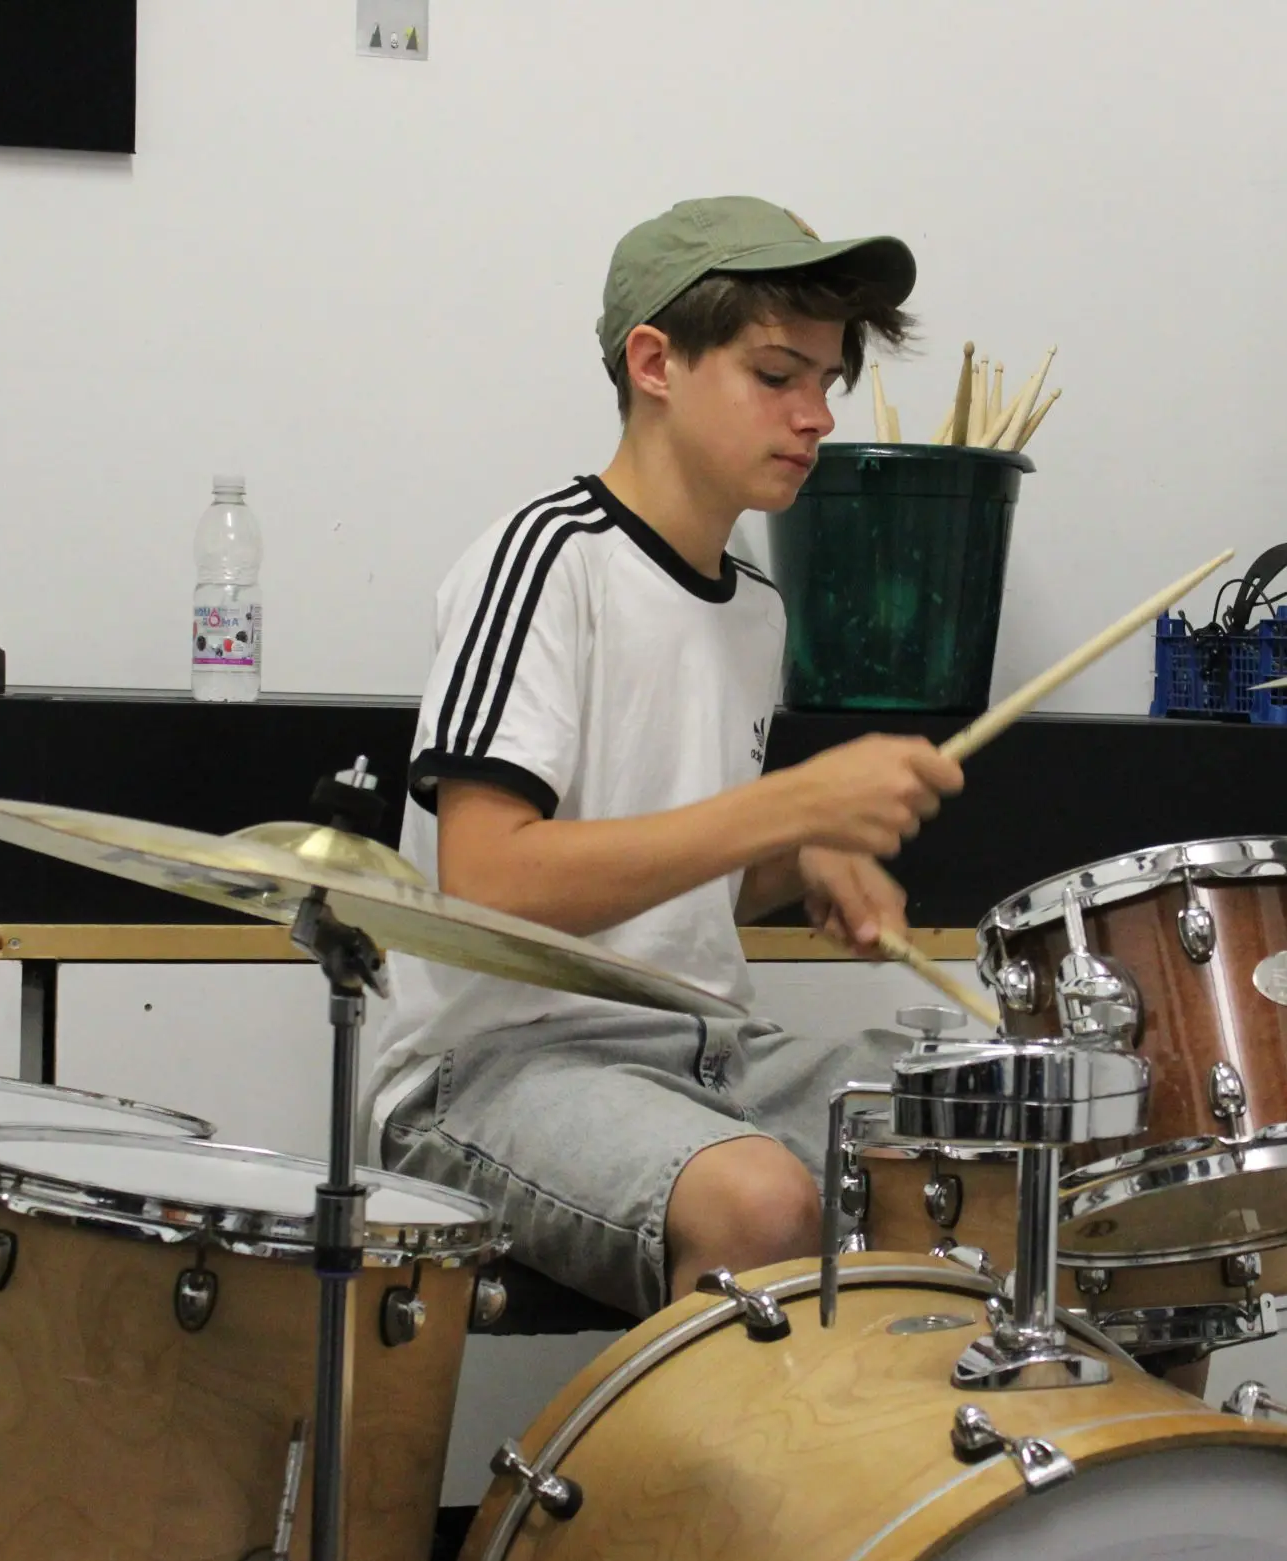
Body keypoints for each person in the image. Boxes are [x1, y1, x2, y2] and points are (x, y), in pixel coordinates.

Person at [367, 197, 965, 1317]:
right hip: (494, 1072)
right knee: (759, 1203)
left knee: (984, 1127)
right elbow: (490, 881)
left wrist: (803, 854)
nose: (816, 416)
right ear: (655, 362)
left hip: (706, 1055)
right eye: (777, 375)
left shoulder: (755, 611)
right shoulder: (546, 561)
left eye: (827, 383)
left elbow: (682, 879)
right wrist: (785, 805)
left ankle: (932, 1482)